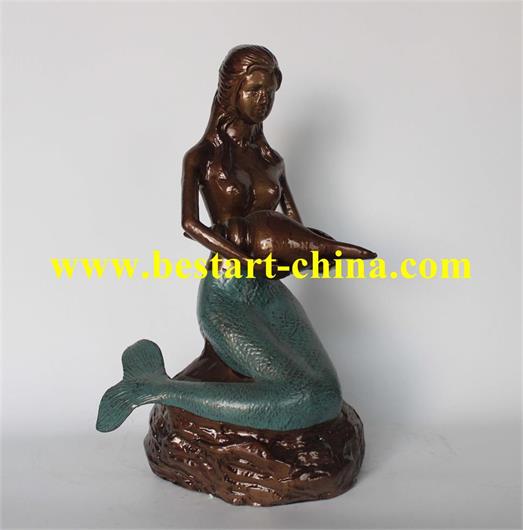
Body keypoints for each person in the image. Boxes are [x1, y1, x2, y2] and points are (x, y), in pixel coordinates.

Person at [96, 45, 376, 433]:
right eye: (254, 89)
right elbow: (190, 224)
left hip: (267, 289)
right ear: (232, 92)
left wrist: (318, 251)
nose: (264, 100)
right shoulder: (202, 156)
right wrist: (244, 261)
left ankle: (173, 388)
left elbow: (295, 226)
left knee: (325, 392)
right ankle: (153, 388)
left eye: (270, 92)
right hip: (226, 293)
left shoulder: (273, 161)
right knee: (305, 396)